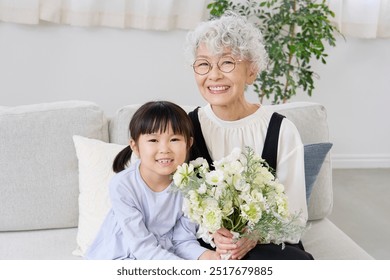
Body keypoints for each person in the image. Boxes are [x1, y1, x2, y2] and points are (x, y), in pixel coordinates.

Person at [184, 12, 313, 260]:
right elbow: (176, 209)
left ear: (252, 71)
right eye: (203, 64)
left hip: (267, 246)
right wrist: (215, 233)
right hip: (208, 249)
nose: (214, 75)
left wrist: (253, 236)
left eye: (227, 62)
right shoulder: (185, 128)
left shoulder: (281, 130)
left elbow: (294, 215)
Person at [85, 101, 220, 260]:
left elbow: (182, 241)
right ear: (135, 147)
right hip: (121, 255)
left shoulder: (191, 185)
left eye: (174, 139)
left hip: (161, 256)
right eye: (153, 140)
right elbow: (142, 247)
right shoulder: (123, 186)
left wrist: (209, 256)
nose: (164, 149)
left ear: (188, 144)